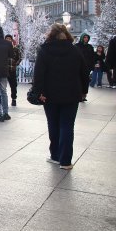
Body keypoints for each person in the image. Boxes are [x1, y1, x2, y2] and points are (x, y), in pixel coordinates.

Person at [32, 23, 89, 170]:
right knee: (67, 126)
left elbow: (38, 74)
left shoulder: (44, 50)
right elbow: (84, 72)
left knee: (53, 124)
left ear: (50, 35)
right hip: (71, 94)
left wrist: (38, 92)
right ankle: (66, 161)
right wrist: (84, 91)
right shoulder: (75, 50)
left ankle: (55, 155)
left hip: (50, 95)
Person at [5, 34, 22, 106]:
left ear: (11, 40)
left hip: (12, 70)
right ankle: (1, 99)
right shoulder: (2, 49)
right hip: (4, 70)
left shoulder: (16, 49)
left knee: (13, 85)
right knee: (2, 86)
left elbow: (20, 58)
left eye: (9, 38)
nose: (8, 40)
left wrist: (16, 64)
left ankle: (14, 99)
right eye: (6, 39)